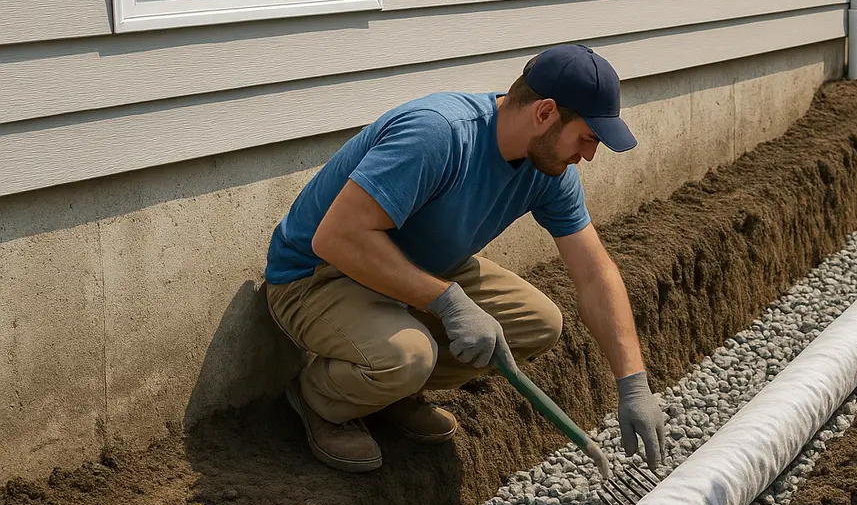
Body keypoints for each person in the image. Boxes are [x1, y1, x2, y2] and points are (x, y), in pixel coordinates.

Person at [262, 44, 669, 474]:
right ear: (545, 113)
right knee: (409, 357)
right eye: (588, 138)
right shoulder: (438, 134)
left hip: (415, 268)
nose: (588, 155)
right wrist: (449, 302)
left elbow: (594, 273)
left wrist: (634, 384)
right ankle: (321, 400)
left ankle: (388, 393)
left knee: (537, 323)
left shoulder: (548, 169)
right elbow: (337, 238)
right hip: (319, 276)